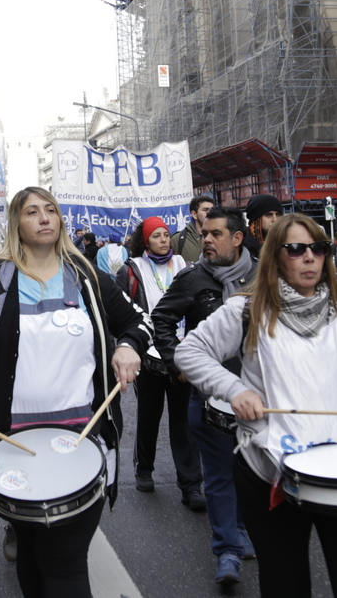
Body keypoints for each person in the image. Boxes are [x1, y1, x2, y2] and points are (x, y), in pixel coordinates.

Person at [0, 187, 150, 597]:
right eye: (32, 212)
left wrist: (128, 346)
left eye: (50, 210)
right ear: (16, 224)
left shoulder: (87, 277)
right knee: (31, 551)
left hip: (84, 438)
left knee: (65, 561)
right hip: (12, 443)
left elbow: (138, 322)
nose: (44, 218)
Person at [175, 214, 337, 597]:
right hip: (270, 469)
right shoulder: (247, 309)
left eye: (318, 248)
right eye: (296, 249)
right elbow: (191, 351)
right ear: (275, 256)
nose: (310, 257)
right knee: (286, 585)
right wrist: (234, 390)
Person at [149, 206, 258, 585]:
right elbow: (161, 319)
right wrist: (176, 361)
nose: (206, 240)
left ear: (237, 238)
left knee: (252, 471)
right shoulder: (192, 278)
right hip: (209, 395)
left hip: (259, 397)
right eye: (204, 233)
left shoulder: (265, 275)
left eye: (215, 234)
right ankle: (227, 550)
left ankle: (243, 529)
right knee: (219, 476)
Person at [114, 217, 202, 509]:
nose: (164, 240)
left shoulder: (185, 266)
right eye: (157, 236)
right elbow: (121, 310)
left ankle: (190, 484)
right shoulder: (132, 269)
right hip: (147, 355)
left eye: (166, 235)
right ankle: (144, 470)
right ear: (146, 241)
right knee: (149, 415)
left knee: (183, 420)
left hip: (182, 353)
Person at [171, 194, 215, 263]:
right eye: (205, 210)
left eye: (212, 210)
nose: (210, 213)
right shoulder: (178, 239)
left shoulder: (220, 237)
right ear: (194, 214)